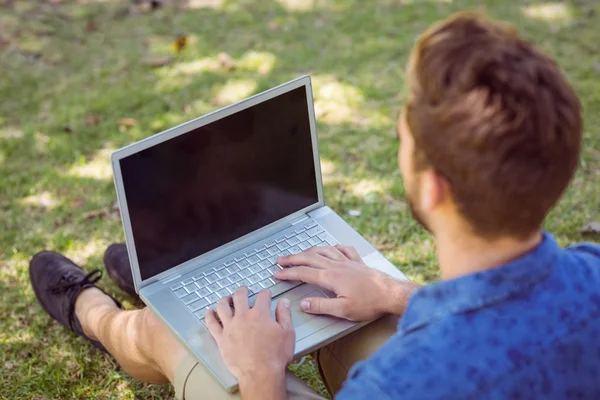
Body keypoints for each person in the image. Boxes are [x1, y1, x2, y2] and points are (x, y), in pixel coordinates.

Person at [29, 11, 600, 399]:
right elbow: (506, 308)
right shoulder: (592, 276)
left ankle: (93, 314)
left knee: (163, 334)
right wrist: (392, 293)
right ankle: (173, 277)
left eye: (404, 139)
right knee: (343, 310)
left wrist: (260, 373)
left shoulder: (396, 384)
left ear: (434, 189)